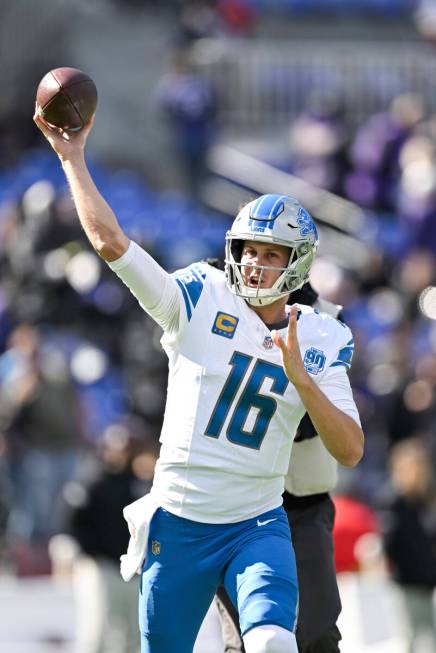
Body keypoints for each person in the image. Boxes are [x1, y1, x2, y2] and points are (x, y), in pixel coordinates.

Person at [34, 108, 364, 653]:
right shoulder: (197, 298)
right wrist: (72, 158)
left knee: (276, 644)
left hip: (260, 522)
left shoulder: (322, 334)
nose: (257, 265)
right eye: (250, 251)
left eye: (272, 254)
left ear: (298, 263)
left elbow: (350, 449)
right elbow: (112, 244)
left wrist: (301, 379)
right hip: (181, 521)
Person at [214, 282, 346, 653]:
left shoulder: (328, 319)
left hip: (302, 503)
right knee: (244, 639)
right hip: (235, 502)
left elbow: (318, 418)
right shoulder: (219, 307)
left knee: (317, 630)